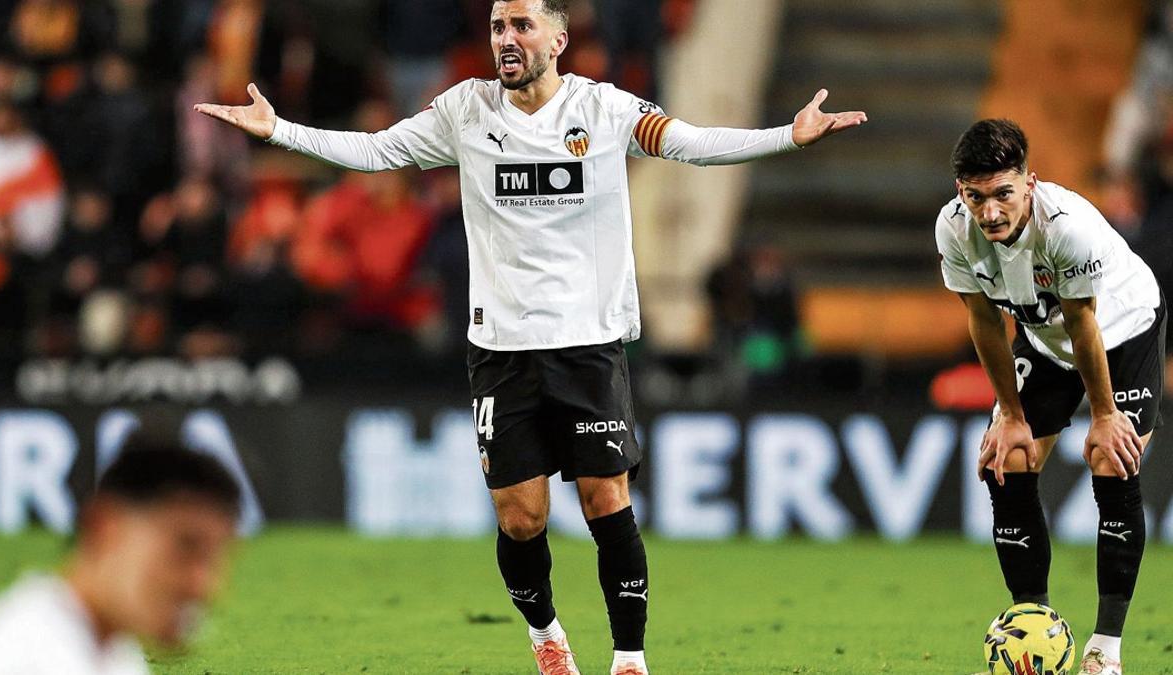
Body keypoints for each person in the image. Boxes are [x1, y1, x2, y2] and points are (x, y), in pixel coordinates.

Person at [194, 1, 865, 672]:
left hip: (588, 344)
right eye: (497, 28)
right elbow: (376, 152)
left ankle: (629, 658)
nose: (506, 39)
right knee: (521, 520)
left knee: (606, 500)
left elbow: (691, 143)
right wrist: (278, 129)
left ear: (559, 39)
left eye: (521, 26)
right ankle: (546, 633)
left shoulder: (604, 110)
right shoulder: (465, 111)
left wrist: (788, 136)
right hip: (502, 349)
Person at [936, 120, 1165, 675]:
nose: (990, 211)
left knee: (1112, 457)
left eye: (1003, 194)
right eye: (976, 197)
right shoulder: (953, 228)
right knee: (1008, 458)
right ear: (962, 192)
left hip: (1122, 330)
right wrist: (1010, 416)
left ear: (1029, 183)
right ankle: (1032, 628)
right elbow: (984, 322)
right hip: (1043, 338)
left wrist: (1104, 415)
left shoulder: (1067, 228)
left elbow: (1085, 325)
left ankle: (1105, 650)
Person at [0, 438, 242, 674]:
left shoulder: (113, 651)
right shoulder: (25, 660)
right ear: (104, 527)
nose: (202, 586)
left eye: (214, 559)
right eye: (185, 547)